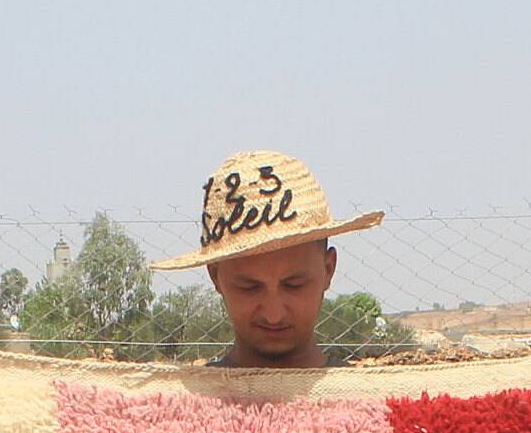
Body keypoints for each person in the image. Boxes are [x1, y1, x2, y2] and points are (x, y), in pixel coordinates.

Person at [150, 151, 383, 370]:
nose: (274, 314)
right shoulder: (183, 407)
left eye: (294, 285)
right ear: (215, 276)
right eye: (249, 288)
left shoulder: (371, 405)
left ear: (329, 269)